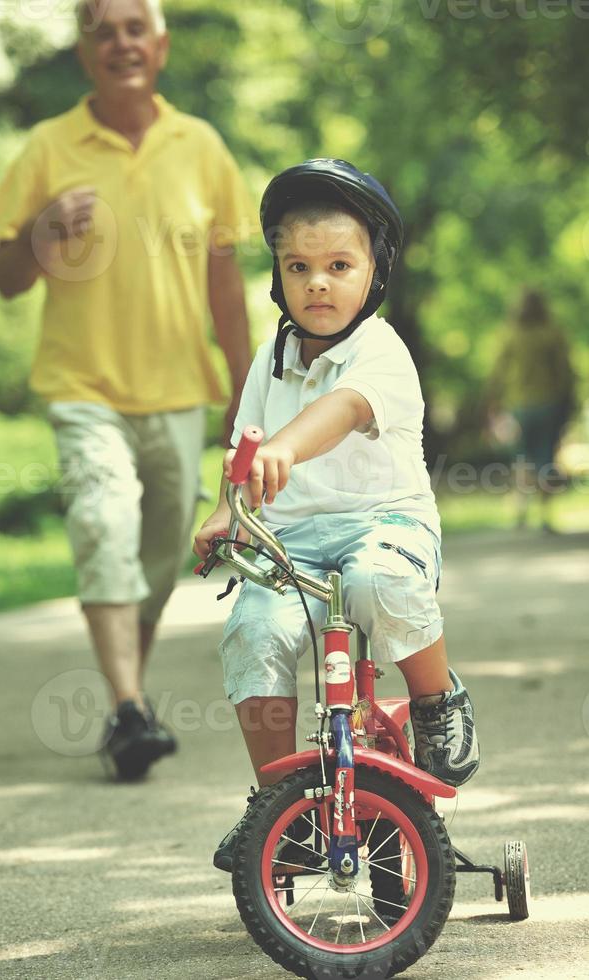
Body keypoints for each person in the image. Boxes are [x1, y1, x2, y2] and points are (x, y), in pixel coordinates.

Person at [0, 0, 257, 781]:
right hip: (83, 386)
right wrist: (38, 231)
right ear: (84, 50)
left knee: (166, 549)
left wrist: (245, 389)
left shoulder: (200, 146)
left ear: (160, 46)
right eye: (103, 30)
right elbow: (4, 279)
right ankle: (130, 710)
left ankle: (124, 678)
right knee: (103, 522)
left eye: (136, 28)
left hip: (176, 390)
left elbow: (226, 282)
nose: (121, 42)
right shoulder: (48, 146)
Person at [193, 159, 480, 872]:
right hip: (291, 540)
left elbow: (344, 411)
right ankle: (279, 801)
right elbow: (244, 454)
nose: (317, 281)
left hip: (383, 524)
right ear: (280, 275)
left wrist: (286, 446)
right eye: (298, 266)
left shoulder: (381, 351)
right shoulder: (272, 356)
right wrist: (225, 511)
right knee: (252, 630)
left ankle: (438, 700)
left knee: (383, 582)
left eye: (338, 264)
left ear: (374, 272)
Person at [486, 288, 576, 533]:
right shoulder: (552, 334)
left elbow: (498, 371)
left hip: (519, 406)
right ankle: (546, 516)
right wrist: (569, 401)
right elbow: (565, 371)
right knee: (546, 458)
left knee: (522, 460)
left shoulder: (510, 335)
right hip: (548, 404)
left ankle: (521, 513)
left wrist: (493, 400)